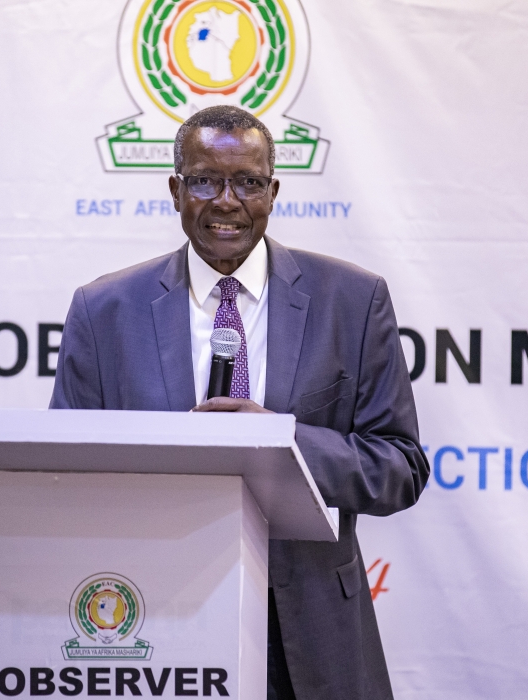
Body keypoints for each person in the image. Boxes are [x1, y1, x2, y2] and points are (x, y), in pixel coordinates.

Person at [50, 105, 429, 700]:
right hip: (151, 627)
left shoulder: (352, 302)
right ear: (176, 191)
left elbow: (400, 468)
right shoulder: (104, 312)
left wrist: (282, 441)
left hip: (311, 636)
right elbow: (63, 475)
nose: (227, 200)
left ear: (273, 192)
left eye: (248, 182)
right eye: (204, 180)